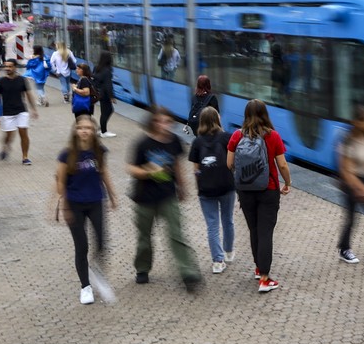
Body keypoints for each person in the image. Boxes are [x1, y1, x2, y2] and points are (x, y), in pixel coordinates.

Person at [127, 107, 201, 291]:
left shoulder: (175, 140)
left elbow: (177, 165)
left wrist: (182, 187)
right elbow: (131, 168)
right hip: (144, 197)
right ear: (153, 122)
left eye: (168, 122)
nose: (164, 125)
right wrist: (148, 171)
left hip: (168, 196)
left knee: (177, 234)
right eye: (160, 121)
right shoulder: (142, 143)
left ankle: (188, 272)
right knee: (145, 237)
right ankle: (142, 268)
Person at [226, 99, 291, 293]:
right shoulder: (273, 136)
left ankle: (258, 267)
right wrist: (287, 183)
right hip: (268, 190)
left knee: (254, 230)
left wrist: (244, 176)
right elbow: (282, 165)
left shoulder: (237, 136)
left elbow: (229, 163)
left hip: (245, 192)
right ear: (265, 114)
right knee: (265, 233)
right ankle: (264, 278)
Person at [56, 115, 119, 305]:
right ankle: (85, 287)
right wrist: (64, 206)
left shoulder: (99, 151)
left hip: (95, 201)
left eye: (88, 128)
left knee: (102, 243)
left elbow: (104, 172)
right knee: (81, 246)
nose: (84, 131)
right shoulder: (66, 154)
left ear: (94, 131)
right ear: (75, 131)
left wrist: (113, 195)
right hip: (74, 203)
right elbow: (60, 181)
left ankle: (97, 271)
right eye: (81, 128)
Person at [189, 106, 236, 274]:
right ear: (218, 119)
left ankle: (218, 261)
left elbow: (196, 169)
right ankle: (229, 252)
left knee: (212, 226)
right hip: (227, 186)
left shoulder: (197, 142)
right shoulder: (226, 138)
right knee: (228, 220)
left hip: (206, 189)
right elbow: (233, 162)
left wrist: (199, 186)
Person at [336, 105, 364, 265]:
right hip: (351, 185)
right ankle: (344, 249)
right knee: (352, 218)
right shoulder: (348, 141)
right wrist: (362, 190)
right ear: (355, 122)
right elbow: (346, 171)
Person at [0, 58, 38, 165]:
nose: (7, 68)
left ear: (15, 67)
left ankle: (25, 157)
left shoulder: (22, 80)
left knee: (23, 132)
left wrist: (33, 109)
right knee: (9, 135)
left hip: (21, 111)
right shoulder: (1, 81)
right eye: (6, 66)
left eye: (10, 66)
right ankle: (6, 147)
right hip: (7, 112)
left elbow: (28, 95)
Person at [92, 51, 115, 137]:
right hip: (105, 94)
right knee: (108, 111)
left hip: (99, 92)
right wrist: (111, 96)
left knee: (104, 111)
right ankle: (103, 131)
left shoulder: (96, 67)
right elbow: (108, 84)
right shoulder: (107, 70)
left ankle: (102, 130)